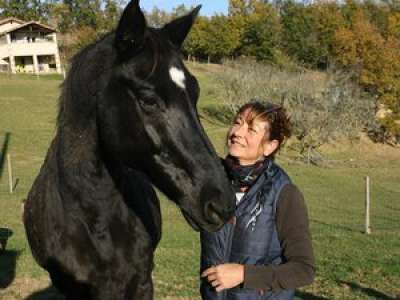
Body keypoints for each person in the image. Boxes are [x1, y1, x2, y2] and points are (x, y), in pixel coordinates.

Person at [200, 100, 315, 300]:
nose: (237, 132)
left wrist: (244, 274)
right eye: (237, 122)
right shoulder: (212, 181)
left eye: (251, 130)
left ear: (270, 146)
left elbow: (303, 269)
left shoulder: (284, 193)